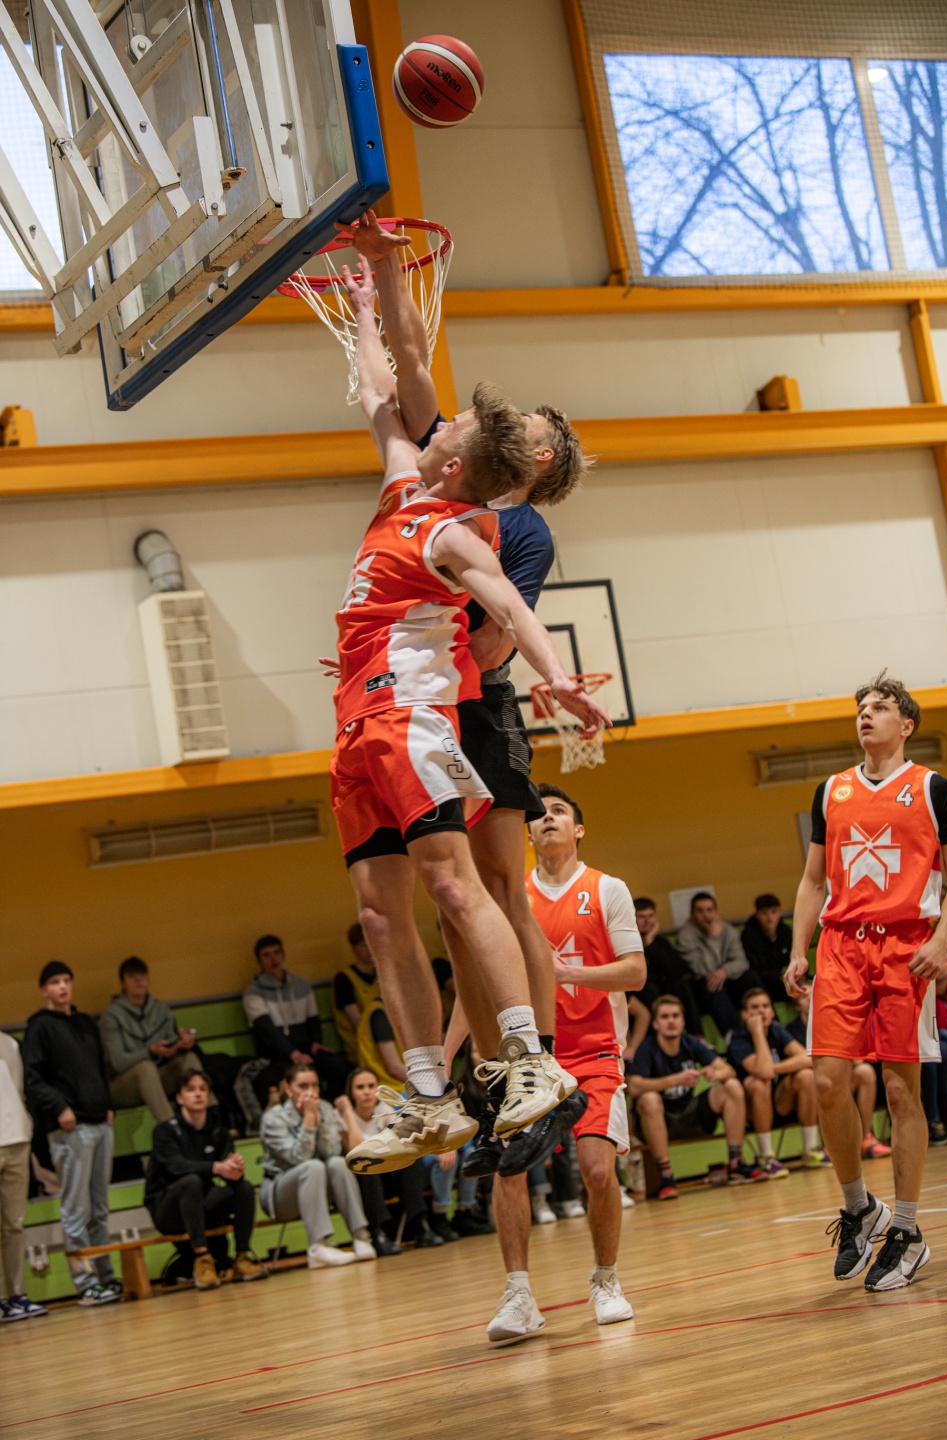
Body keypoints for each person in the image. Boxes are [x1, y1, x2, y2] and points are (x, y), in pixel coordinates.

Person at [328, 255, 606, 1174]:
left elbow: (509, 608)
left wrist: (556, 677)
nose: (436, 420)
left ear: (454, 461)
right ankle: (426, 1093)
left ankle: (527, 1058)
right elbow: (382, 391)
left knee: (459, 887)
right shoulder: (404, 489)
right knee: (380, 915)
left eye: (448, 427)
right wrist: (364, 302)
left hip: (416, 717)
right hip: (355, 724)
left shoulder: (459, 530)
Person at [786, 672, 947, 1290]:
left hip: (906, 947)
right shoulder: (831, 790)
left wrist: (942, 940)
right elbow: (812, 880)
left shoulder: (934, 789)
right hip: (840, 946)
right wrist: (798, 949)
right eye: (862, 707)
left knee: (900, 1092)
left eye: (881, 707)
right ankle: (860, 1208)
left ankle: (907, 1230)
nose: (867, 714)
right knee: (827, 1081)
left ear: (906, 725)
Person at [486, 782, 646, 1344]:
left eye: (559, 812)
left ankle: (605, 1280)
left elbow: (635, 972)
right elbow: (479, 983)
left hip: (596, 1049)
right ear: (527, 833)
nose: (547, 818)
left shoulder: (607, 889)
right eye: (539, 814)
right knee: (509, 1169)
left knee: (598, 1171)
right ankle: (518, 1294)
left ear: (578, 829)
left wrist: (568, 974)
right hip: (529, 1057)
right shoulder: (508, 897)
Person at [21, 961, 119, 1307]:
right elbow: (32, 1080)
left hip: (100, 1123)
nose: (62, 986)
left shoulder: (85, 1023)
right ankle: (84, 1282)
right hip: (71, 1129)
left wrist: (108, 1103)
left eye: (66, 980)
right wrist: (60, 1107)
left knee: (100, 1208)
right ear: (44, 989)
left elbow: (100, 1068)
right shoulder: (39, 1027)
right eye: (54, 982)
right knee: (76, 1210)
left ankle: (106, 1275)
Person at [628, 994, 764, 1198]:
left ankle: (736, 1162)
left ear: (683, 1021)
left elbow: (728, 1070)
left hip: (690, 1114)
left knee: (732, 1086)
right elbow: (634, 1086)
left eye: (675, 1016)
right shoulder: (647, 1048)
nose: (671, 1021)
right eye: (665, 1017)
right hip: (659, 1120)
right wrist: (675, 1080)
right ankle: (666, 1175)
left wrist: (715, 1073)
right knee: (649, 1099)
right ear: (655, 1023)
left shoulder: (691, 1043)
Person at [145, 1070, 268, 1290]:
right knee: (191, 1181)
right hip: (167, 1209)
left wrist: (235, 1169)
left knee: (244, 1188)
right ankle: (202, 1259)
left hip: (201, 1204)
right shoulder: (164, 1131)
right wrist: (216, 1167)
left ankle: (242, 1256)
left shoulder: (219, 1132)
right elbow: (177, 1167)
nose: (198, 1094)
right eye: (191, 1090)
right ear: (180, 1097)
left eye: (203, 1089)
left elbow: (227, 1165)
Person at [259, 1063, 376, 1267]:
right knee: (312, 1167)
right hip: (280, 1194)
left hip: (318, 1188)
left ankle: (360, 1237)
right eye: (303, 1086)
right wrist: (309, 1120)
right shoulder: (273, 1118)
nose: (311, 1092)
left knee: (338, 1163)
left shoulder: (325, 1107)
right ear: (288, 1088)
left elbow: (331, 1152)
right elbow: (298, 1158)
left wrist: (319, 1123)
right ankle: (317, 1247)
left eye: (314, 1085)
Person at [333, 1070, 441, 1250]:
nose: (367, 1092)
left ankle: (421, 1225)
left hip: (388, 1174)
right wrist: (349, 1115)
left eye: (371, 1086)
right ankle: (378, 1233)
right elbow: (356, 1150)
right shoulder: (341, 1115)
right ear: (351, 1092)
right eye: (360, 1087)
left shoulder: (384, 1110)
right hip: (362, 1182)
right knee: (365, 1164)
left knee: (410, 1160)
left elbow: (397, 1146)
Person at [726, 989, 826, 1176]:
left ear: (772, 1011)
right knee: (757, 1082)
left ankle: (811, 1149)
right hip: (749, 1111)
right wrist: (757, 1033)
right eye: (755, 1007)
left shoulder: (776, 1030)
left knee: (806, 1075)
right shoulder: (738, 1038)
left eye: (766, 1006)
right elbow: (763, 1073)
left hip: (777, 1103)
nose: (762, 1011)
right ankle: (766, 1156)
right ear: (745, 1015)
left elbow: (806, 1057)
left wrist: (774, 1068)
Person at [243, 934, 349, 1108]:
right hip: (276, 1054)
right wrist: (293, 1053)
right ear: (259, 960)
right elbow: (267, 1030)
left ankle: (330, 1109)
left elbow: (313, 1019)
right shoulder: (253, 993)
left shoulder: (302, 986)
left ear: (283, 954)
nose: (273, 958)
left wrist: (316, 1042)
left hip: (305, 1048)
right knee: (272, 1078)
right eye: (266, 955)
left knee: (336, 1064)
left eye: (277, 952)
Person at [786, 991, 891, 1159]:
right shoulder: (791, 1029)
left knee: (864, 1072)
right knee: (813, 1079)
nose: (812, 998)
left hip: (835, 1077)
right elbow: (803, 1061)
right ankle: (826, 1146)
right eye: (805, 996)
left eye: (815, 993)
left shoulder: (833, 1021)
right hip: (808, 1088)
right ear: (797, 1005)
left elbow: (857, 1059)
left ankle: (866, 1138)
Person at [99, 956, 203, 1123]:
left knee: (189, 1059)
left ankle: (208, 1121)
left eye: (142, 976)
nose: (139, 981)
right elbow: (118, 1062)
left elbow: (171, 1043)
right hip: (123, 1085)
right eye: (132, 977)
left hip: (158, 1076)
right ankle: (171, 1128)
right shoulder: (111, 1016)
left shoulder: (161, 1009)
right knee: (145, 1068)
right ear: (123, 984)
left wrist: (180, 1044)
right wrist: (150, 1052)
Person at [0, 1031, 47, 1322]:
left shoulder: (8, 1043)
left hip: (16, 1139)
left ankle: (17, 1293)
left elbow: (18, 1090)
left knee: (14, 1224)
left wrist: (25, 1129)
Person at [676, 893, 763, 1040]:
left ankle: (771, 1027)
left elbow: (742, 962)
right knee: (714, 986)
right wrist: (713, 938)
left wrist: (725, 971)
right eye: (700, 911)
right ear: (692, 914)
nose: (706, 915)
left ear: (716, 912)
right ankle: (735, 1038)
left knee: (750, 977)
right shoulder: (685, 937)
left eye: (710, 910)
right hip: (703, 987)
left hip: (728, 979)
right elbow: (704, 970)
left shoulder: (728, 930)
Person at [625, 898, 703, 1055]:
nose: (647, 921)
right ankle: (658, 1046)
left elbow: (675, 970)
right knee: (652, 992)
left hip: (661, 987)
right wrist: (646, 943)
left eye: (650, 916)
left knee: (681, 985)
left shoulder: (660, 942)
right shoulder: (626, 943)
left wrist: (650, 942)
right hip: (638, 989)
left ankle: (698, 1036)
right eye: (642, 917)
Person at [921, 966, 947, 1145]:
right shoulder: (924, 994)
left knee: (941, 1050)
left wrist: (943, 1035)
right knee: (935, 1055)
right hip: (938, 1058)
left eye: (944, 959)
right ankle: (939, 1122)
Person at [332, 924, 382, 1064]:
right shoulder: (344, 979)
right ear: (353, 948)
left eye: (373, 943)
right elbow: (359, 1025)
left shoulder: (382, 975)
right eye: (364, 945)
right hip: (362, 1048)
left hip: (386, 1042)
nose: (370, 948)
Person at [740, 895, 792, 1002]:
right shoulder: (748, 935)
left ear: (780, 913)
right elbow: (753, 967)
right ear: (757, 915)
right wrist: (778, 975)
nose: (770, 918)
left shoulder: (786, 931)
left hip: (786, 979)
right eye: (764, 913)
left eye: (774, 912)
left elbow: (793, 957)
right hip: (763, 983)